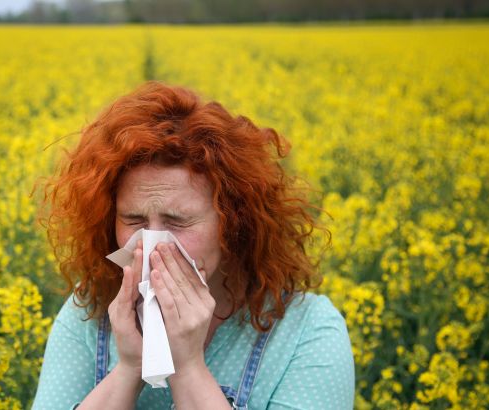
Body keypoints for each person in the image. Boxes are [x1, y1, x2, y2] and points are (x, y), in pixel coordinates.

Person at [33, 82, 354, 410]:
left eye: (177, 222)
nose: (153, 245)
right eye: (133, 220)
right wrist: (130, 369)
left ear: (232, 224)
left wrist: (188, 368)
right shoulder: (90, 313)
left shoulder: (307, 331)